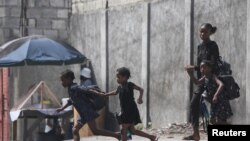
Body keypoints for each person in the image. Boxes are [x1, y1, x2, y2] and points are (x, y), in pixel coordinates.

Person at [56, 69, 120, 141]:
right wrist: (62, 108)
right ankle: (117, 135)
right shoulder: (70, 89)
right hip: (83, 113)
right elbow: (71, 100)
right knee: (75, 130)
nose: (62, 83)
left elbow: (87, 89)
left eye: (63, 80)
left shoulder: (74, 87)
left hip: (87, 112)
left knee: (95, 130)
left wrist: (99, 94)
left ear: (69, 79)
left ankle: (117, 135)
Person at [183, 23, 220, 141]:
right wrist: (194, 71)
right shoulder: (200, 47)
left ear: (210, 32)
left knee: (216, 110)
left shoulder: (213, 45)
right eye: (201, 31)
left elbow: (213, 64)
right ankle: (195, 134)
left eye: (205, 31)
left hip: (212, 80)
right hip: (202, 81)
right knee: (194, 104)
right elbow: (200, 65)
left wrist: (194, 68)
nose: (202, 34)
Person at [104, 67, 159, 141]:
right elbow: (115, 92)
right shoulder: (120, 87)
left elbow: (141, 89)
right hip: (125, 110)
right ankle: (152, 137)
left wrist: (140, 98)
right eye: (116, 77)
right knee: (133, 130)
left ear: (125, 77)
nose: (117, 79)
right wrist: (105, 94)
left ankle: (126, 139)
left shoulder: (129, 85)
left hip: (130, 109)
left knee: (124, 127)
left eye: (118, 77)